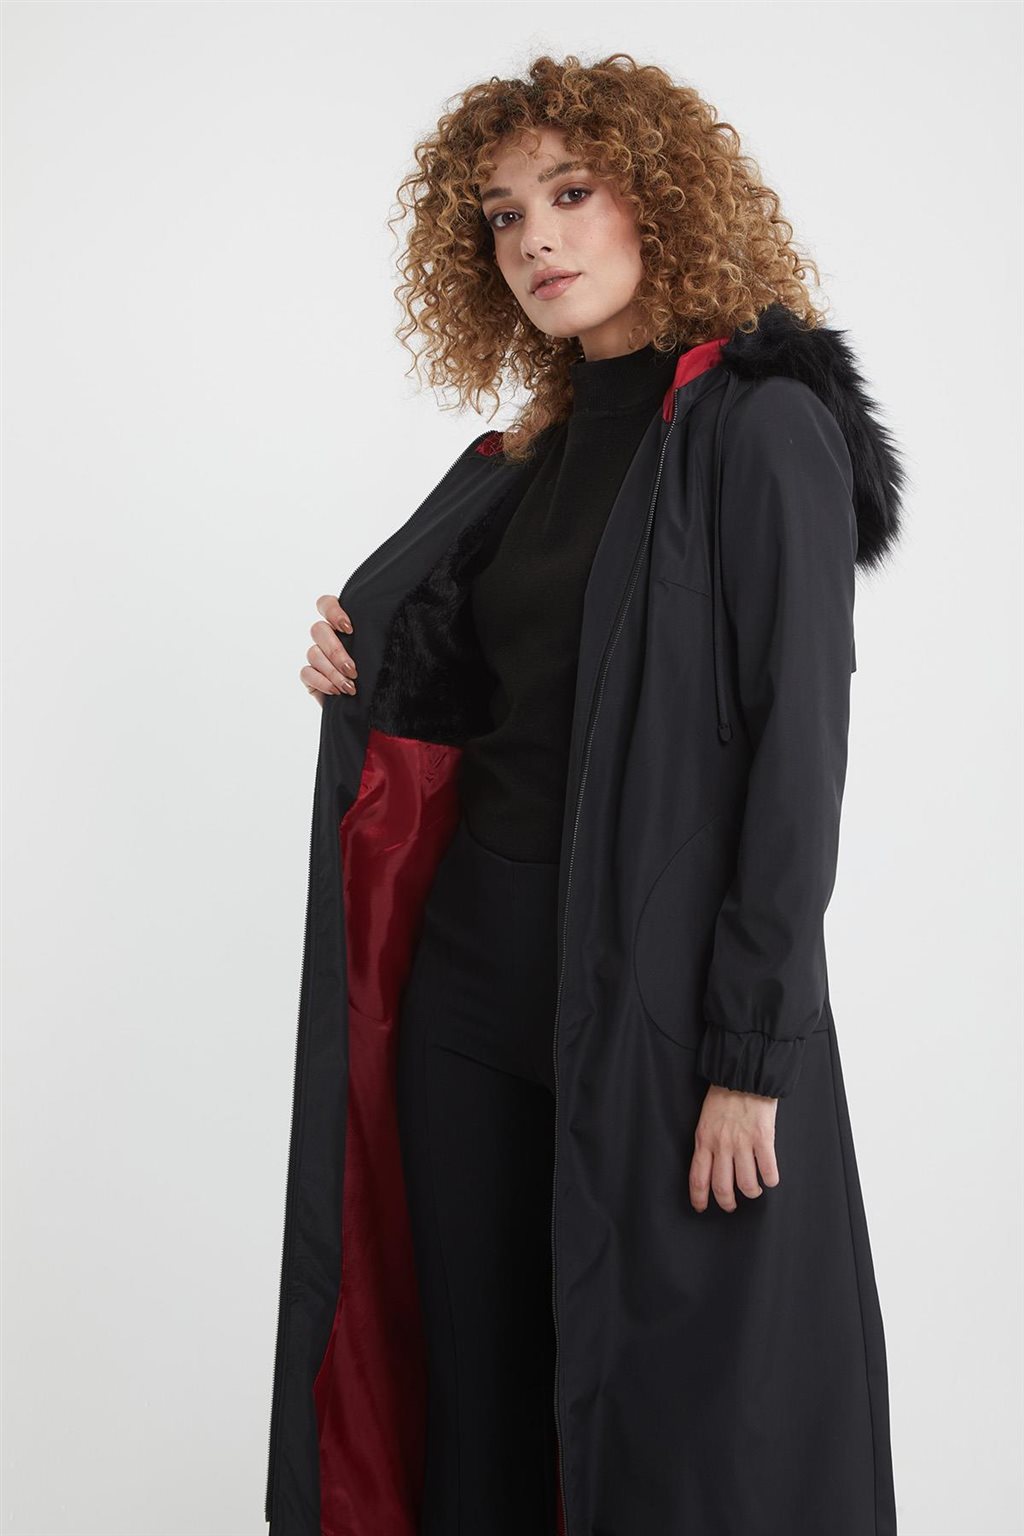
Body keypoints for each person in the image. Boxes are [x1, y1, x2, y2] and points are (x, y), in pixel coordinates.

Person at [267, 52, 905, 1536]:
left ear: (660, 201)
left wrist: (753, 1051)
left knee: (675, 1428)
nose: (536, 239)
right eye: (503, 215)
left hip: (659, 1017)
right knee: (481, 1402)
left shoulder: (760, 429)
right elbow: (494, 699)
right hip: (470, 997)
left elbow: (799, 758)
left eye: (571, 193)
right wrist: (363, 664)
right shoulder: (520, 460)